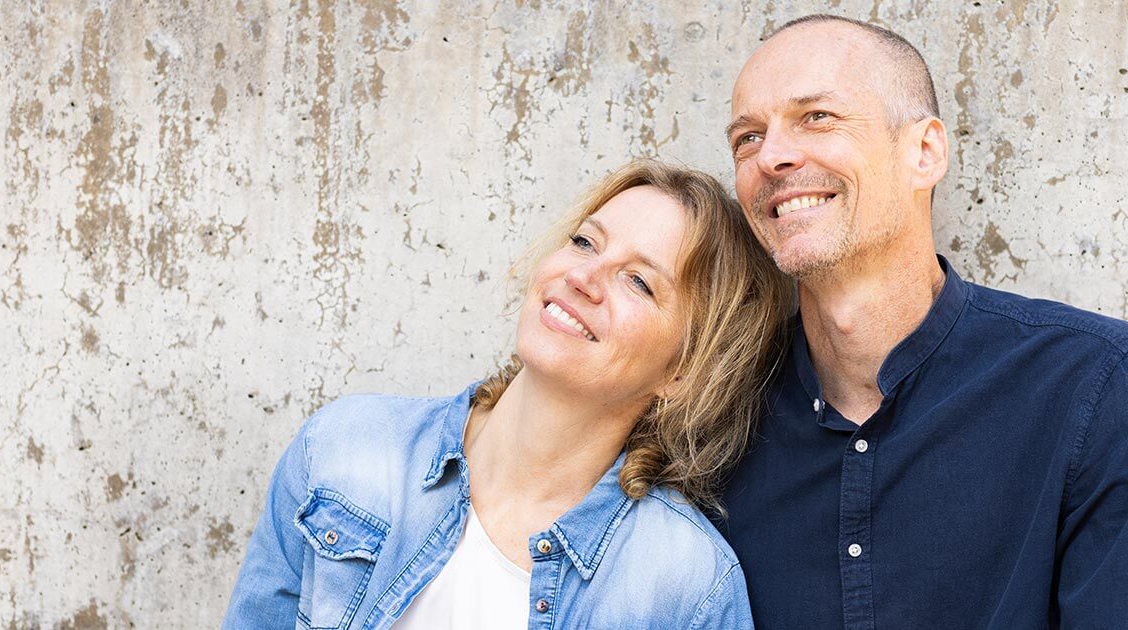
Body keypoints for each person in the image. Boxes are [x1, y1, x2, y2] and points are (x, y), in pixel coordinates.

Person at [716, 14, 1128, 629]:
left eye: (817, 116)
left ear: (925, 152)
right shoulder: (717, 415)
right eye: (748, 138)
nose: (772, 156)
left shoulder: (1093, 383)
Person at [222, 159, 791, 629]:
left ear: (685, 370)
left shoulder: (685, 585)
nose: (582, 277)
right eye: (585, 242)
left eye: (639, 281)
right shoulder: (345, 449)